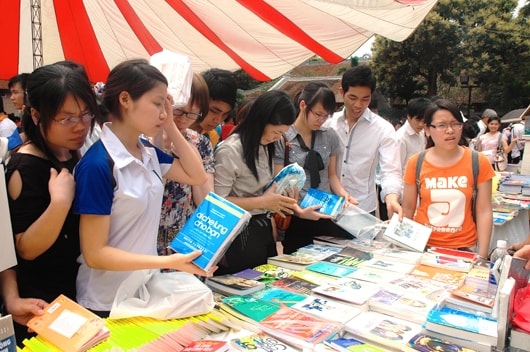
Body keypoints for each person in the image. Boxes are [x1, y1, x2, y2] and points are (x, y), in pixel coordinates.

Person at [73, 59, 211, 316]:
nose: (163, 111)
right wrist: (166, 261)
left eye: (166, 104)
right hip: (104, 301)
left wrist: (170, 124)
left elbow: (197, 176)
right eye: (157, 103)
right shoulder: (99, 164)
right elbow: (95, 254)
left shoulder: (148, 153)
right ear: (125, 99)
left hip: (142, 289)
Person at [4, 63, 98, 344]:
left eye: (85, 114)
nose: (80, 125)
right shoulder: (25, 166)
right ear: (35, 114)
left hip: (76, 291)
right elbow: (25, 248)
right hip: (40, 303)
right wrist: (59, 203)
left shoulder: (72, 154)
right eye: (66, 118)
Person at [214, 90, 298, 275]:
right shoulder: (230, 150)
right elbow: (217, 202)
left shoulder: (265, 145)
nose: (278, 137)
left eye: (282, 133)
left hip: (263, 229)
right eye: (276, 132)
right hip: (238, 234)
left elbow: (265, 191)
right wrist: (263, 202)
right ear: (261, 120)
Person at [402, 99, 495, 259]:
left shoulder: (478, 162)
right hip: (423, 248)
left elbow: (484, 210)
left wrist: (482, 256)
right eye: (441, 125)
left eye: (455, 124)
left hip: (463, 248)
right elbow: (408, 209)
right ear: (428, 130)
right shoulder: (415, 163)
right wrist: (404, 249)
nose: (450, 130)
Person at [273, 82, 356, 254]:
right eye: (317, 114)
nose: (321, 120)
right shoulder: (283, 138)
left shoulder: (330, 136)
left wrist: (344, 195)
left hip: (326, 213)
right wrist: (299, 211)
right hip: (297, 217)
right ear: (303, 105)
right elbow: (278, 186)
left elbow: (332, 176)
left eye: (326, 116)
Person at [323, 66, 402, 217]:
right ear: (342, 92)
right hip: (329, 206)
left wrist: (391, 197)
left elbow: (390, 171)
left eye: (365, 99)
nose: (358, 105)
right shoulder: (328, 124)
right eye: (352, 98)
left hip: (362, 209)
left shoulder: (383, 129)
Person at [155, 72, 214, 255]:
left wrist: (190, 155)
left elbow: (206, 200)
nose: (183, 119)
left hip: (187, 241)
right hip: (149, 240)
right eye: (179, 110)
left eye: (193, 114)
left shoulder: (200, 143)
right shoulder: (144, 140)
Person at [190, 68, 237, 148]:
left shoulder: (214, 133)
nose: (218, 120)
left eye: (225, 114)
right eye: (214, 111)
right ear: (198, 98)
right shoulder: (172, 124)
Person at [395, 97, 432, 175]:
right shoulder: (400, 138)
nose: (421, 124)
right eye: (418, 120)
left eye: (424, 121)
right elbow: (396, 169)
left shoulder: (422, 133)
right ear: (409, 117)